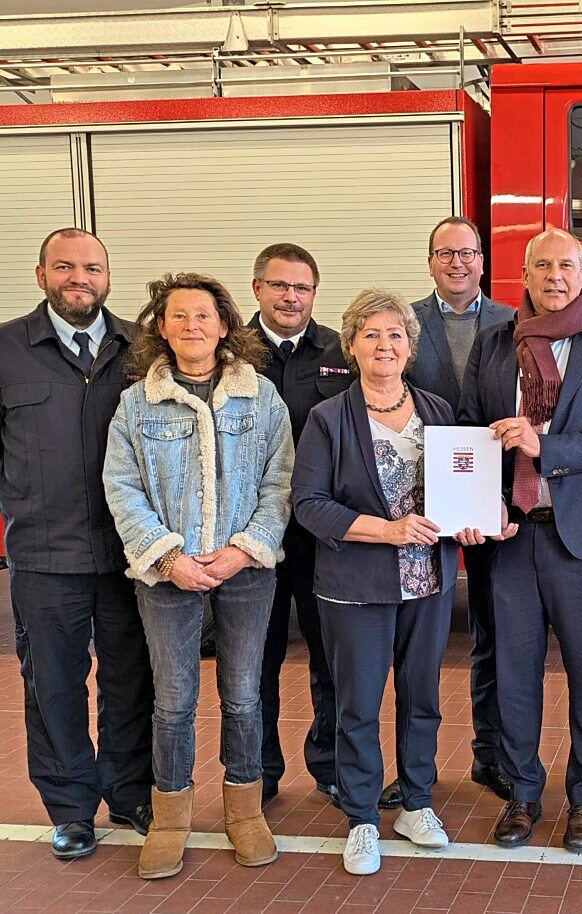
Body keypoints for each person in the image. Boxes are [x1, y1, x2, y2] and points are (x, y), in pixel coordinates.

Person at [0, 228, 156, 860]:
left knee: (133, 679)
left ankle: (129, 794)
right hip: (46, 557)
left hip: (131, 554)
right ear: (39, 274)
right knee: (53, 685)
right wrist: (33, 499)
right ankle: (71, 808)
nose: (80, 278)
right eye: (65, 267)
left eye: (92, 268)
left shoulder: (141, 351)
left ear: (108, 277)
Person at [103, 272, 293, 880]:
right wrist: (166, 557)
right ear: (159, 327)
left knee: (242, 696)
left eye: (203, 316)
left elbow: (280, 480)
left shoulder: (260, 396)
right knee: (173, 701)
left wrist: (244, 550)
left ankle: (244, 812)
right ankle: (171, 819)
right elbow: (122, 485)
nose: (192, 326)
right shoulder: (137, 403)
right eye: (178, 316)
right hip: (166, 576)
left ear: (224, 325)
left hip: (246, 572)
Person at [458, 227, 582, 854]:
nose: (555, 276)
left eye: (566, 265)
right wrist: (475, 509)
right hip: (509, 537)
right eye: (543, 265)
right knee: (513, 673)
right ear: (524, 275)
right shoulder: (493, 345)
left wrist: (546, 446)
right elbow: (469, 435)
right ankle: (523, 793)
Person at [293, 288, 468, 876]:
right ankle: (363, 816)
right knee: (358, 705)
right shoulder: (327, 418)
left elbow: (460, 489)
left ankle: (415, 802)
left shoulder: (438, 412)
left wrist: (471, 522)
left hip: (428, 582)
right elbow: (309, 506)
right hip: (356, 586)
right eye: (371, 335)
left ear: (411, 347)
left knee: (422, 700)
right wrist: (386, 531)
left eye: (395, 334)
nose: (384, 344)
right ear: (351, 346)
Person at [401, 216, 515, 807]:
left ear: (482, 261)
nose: (457, 263)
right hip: (416, 508)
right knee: (411, 643)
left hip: (489, 504)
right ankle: (407, 765)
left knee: (490, 635)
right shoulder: (405, 324)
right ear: (430, 262)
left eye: (468, 252)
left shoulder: (513, 323)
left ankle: (488, 754)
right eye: (444, 253)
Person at [246, 242, 352, 808]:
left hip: (321, 539)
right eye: (280, 285)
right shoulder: (227, 352)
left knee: (328, 658)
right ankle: (258, 771)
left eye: (302, 287)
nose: (291, 297)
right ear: (257, 288)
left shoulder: (341, 350)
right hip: (249, 540)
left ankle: (332, 766)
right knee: (253, 661)